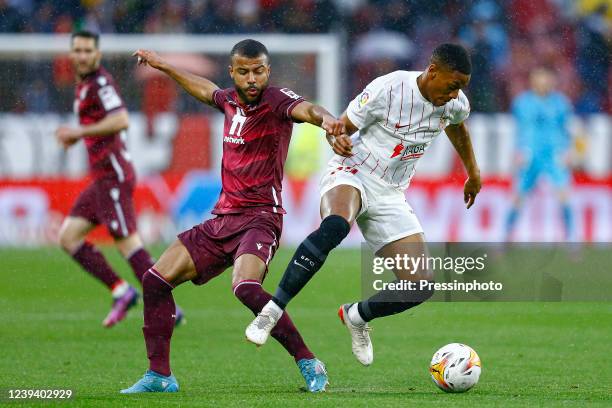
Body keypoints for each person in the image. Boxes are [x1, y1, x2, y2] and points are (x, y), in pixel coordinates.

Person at [121, 39, 346, 394]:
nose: (252, 79)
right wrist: (163, 65)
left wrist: (330, 120)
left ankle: (308, 360)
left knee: (245, 287)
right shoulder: (227, 99)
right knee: (154, 281)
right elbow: (205, 89)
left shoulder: (277, 101)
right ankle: (159, 376)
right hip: (223, 218)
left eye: (259, 71)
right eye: (243, 72)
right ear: (233, 73)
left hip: (261, 217)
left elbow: (311, 109)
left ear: (268, 71)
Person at [246, 43, 481, 367]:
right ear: (432, 71)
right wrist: (335, 138)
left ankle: (357, 316)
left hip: (390, 193)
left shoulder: (454, 104)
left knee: (420, 285)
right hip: (352, 170)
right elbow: (340, 128)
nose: (455, 95)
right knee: (336, 226)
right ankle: (271, 312)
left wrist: (473, 171)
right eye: (453, 85)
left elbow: (458, 127)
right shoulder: (389, 89)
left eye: (461, 89)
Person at [56, 31, 184, 328]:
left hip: (112, 177)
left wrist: (78, 133)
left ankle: (169, 307)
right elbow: (100, 126)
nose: (83, 55)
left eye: (88, 50)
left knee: (129, 245)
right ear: (72, 54)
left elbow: (121, 119)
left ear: (97, 54)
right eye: (78, 50)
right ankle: (121, 290)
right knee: (68, 237)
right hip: (100, 180)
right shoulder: (84, 86)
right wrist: (79, 137)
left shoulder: (101, 83)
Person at [505, 67, 574, 241]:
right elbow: (519, 129)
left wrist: (568, 150)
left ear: (551, 81)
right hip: (530, 154)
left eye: (545, 79)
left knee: (564, 194)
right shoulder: (522, 103)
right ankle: (505, 237)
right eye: (538, 79)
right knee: (518, 196)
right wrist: (518, 151)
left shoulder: (561, 103)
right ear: (532, 82)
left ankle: (571, 239)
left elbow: (568, 129)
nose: (542, 83)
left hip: (554, 154)